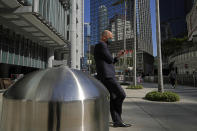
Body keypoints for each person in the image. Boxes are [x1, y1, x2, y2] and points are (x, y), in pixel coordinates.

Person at [94, 30, 131, 127]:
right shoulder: (101, 45)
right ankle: (117, 119)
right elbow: (110, 59)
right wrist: (113, 57)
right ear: (104, 37)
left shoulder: (102, 46)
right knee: (121, 94)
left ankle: (117, 121)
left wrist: (118, 56)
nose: (111, 39)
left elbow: (110, 61)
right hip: (107, 76)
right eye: (110, 37)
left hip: (106, 76)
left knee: (114, 97)